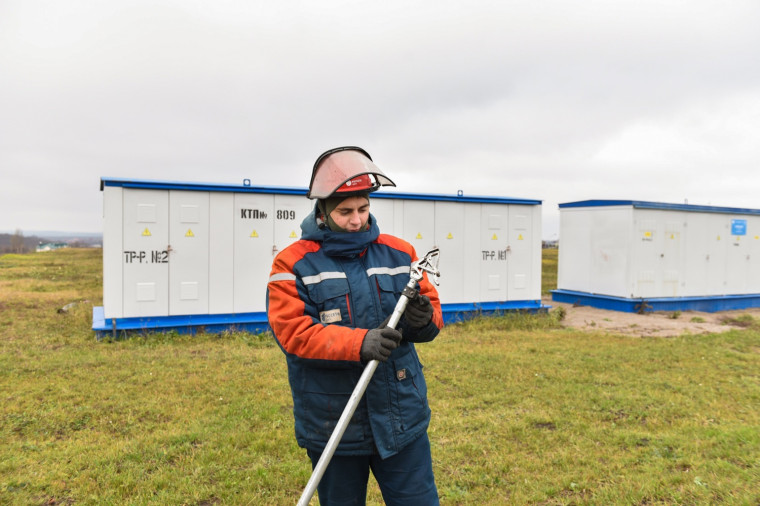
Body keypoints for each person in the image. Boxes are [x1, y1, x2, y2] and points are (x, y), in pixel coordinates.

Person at [266, 146, 443, 505]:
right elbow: (293, 334)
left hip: (402, 418)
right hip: (335, 423)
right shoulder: (292, 263)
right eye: (345, 211)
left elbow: (434, 312)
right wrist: (359, 343)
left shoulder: (400, 252)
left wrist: (422, 321)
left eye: (363, 209)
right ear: (323, 211)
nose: (356, 220)